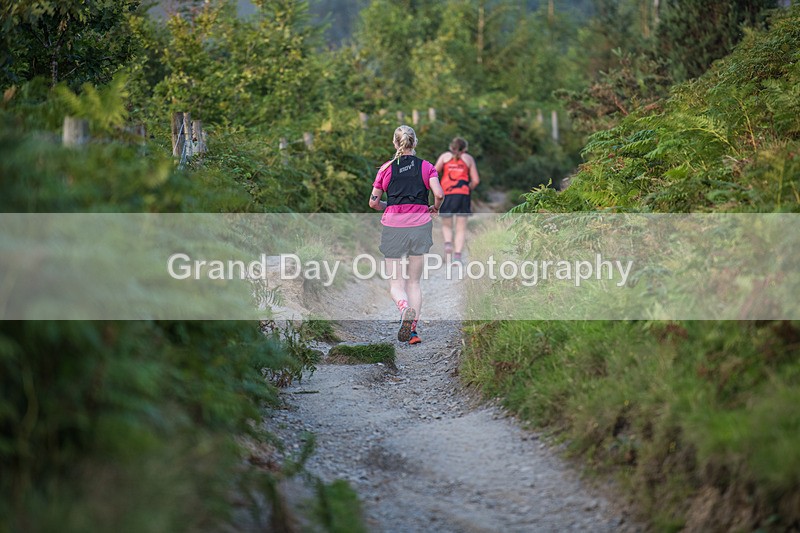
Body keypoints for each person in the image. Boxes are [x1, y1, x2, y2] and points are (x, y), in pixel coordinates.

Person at [369, 125, 444, 345]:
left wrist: (389, 206)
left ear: (395, 143)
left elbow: (373, 202)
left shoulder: (386, 168)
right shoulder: (426, 167)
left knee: (396, 283)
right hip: (420, 226)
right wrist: (435, 208)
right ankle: (412, 332)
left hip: (393, 227)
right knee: (414, 282)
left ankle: (404, 310)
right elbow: (438, 193)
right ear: (415, 142)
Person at [435, 137, 480, 264]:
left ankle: (448, 244)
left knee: (447, 225)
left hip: (447, 194)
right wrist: (467, 188)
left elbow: (433, 172)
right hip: (462, 196)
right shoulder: (468, 159)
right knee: (461, 228)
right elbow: (476, 180)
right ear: (465, 148)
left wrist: (438, 187)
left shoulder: (444, 157)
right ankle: (457, 257)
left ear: (451, 147)